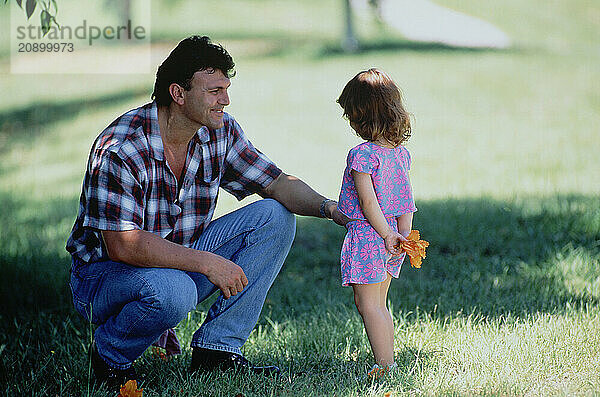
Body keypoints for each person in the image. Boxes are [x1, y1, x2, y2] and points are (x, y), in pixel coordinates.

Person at [66, 35, 348, 388]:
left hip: (175, 261)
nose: (225, 101)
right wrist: (207, 263)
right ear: (178, 94)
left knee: (274, 217)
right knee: (175, 291)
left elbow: (276, 183)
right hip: (105, 275)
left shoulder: (219, 131)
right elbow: (125, 246)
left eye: (226, 89)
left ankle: (217, 351)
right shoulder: (122, 148)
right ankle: (111, 356)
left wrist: (330, 208)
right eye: (214, 91)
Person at [336, 68, 417, 375]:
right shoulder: (400, 154)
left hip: (372, 238)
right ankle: (387, 360)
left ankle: (385, 365)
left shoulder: (362, 155)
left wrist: (385, 235)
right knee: (379, 304)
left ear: (361, 117)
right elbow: (405, 200)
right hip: (395, 238)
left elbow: (368, 202)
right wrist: (402, 236)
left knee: (367, 304)